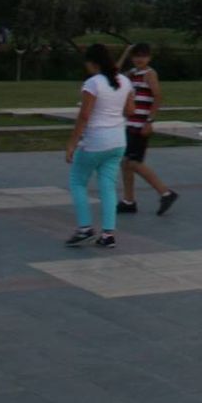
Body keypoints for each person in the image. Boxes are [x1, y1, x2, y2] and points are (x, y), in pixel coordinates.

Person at [63, 42, 131, 248]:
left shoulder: (93, 83)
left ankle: (85, 228)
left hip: (95, 141)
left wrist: (72, 143)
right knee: (108, 186)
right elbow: (130, 109)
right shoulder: (124, 81)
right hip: (118, 140)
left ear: (92, 63)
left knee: (77, 181)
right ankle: (108, 234)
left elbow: (85, 115)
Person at [116, 42, 178, 217]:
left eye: (143, 56)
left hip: (141, 125)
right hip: (130, 124)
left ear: (149, 58)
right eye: (136, 56)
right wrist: (125, 51)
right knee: (125, 163)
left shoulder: (149, 74)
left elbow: (157, 96)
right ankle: (129, 200)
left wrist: (149, 121)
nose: (139, 59)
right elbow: (113, 74)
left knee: (134, 162)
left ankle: (165, 193)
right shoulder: (132, 74)